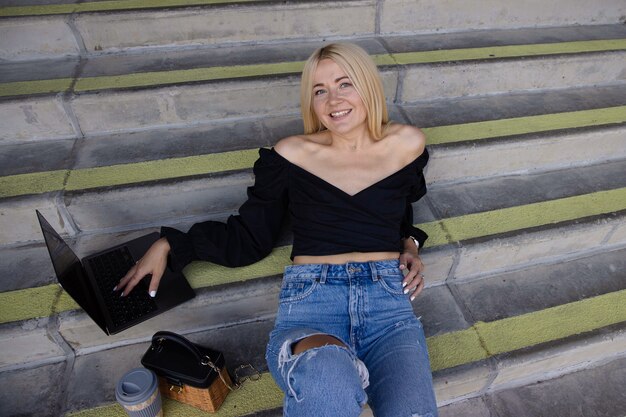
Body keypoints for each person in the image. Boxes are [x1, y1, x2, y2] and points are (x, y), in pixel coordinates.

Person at [116, 43, 438, 417]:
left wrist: (410, 245)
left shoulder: (408, 144)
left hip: (388, 304)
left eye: (344, 84)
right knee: (327, 377)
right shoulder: (291, 155)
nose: (333, 100)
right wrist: (173, 244)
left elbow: (401, 205)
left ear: (367, 85)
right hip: (315, 303)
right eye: (320, 91)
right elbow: (249, 239)